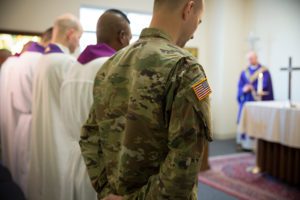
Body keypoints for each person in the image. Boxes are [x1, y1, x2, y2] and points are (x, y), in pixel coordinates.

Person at [80, 0, 212, 199]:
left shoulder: (109, 65)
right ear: (188, 8)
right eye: (199, 22)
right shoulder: (189, 70)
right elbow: (184, 165)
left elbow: (89, 137)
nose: (194, 33)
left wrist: (107, 192)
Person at [60, 9, 131, 200]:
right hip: (101, 167)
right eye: (130, 38)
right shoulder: (113, 67)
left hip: (74, 160)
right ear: (122, 37)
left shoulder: (73, 67)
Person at [28, 13, 82, 200]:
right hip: (61, 136)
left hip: (44, 131)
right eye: (79, 38)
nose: (78, 43)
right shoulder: (65, 63)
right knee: (60, 187)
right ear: (71, 34)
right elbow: (75, 107)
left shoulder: (43, 59)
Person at [10, 27, 52, 198]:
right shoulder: (39, 60)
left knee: (22, 168)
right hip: (34, 122)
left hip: (22, 121)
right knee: (31, 171)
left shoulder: (18, 60)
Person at [237, 51, 274, 150]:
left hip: (258, 100)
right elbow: (240, 86)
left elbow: (265, 85)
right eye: (248, 59)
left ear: (256, 58)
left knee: (258, 121)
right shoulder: (244, 72)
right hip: (246, 100)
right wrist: (243, 89)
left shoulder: (264, 71)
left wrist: (252, 87)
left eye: (251, 58)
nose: (249, 60)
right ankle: (245, 144)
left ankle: (258, 146)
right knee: (246, 120)